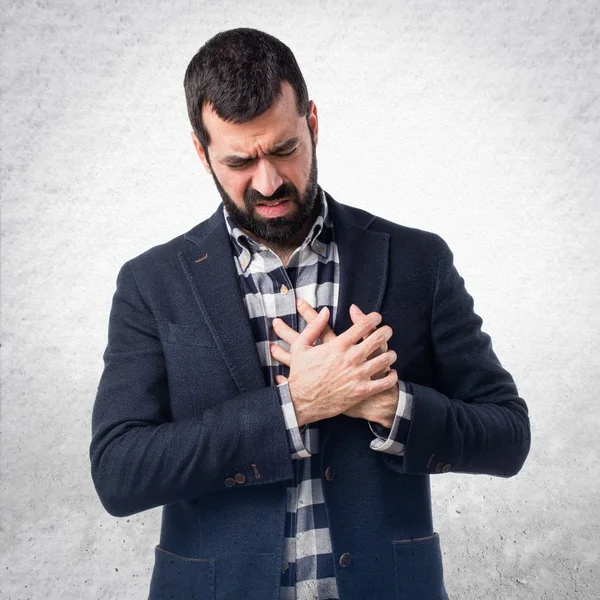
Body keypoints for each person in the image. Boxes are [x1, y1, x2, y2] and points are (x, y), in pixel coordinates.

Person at [90, 27, 530, 600]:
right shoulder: (152, 284)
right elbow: (120, 474)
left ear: (313, 124)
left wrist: (396, 409)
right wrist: (295, 407)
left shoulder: (418, 260)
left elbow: (508, 434)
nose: (268, 181)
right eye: (240, 160)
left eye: (284, 149)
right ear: (202, 153)